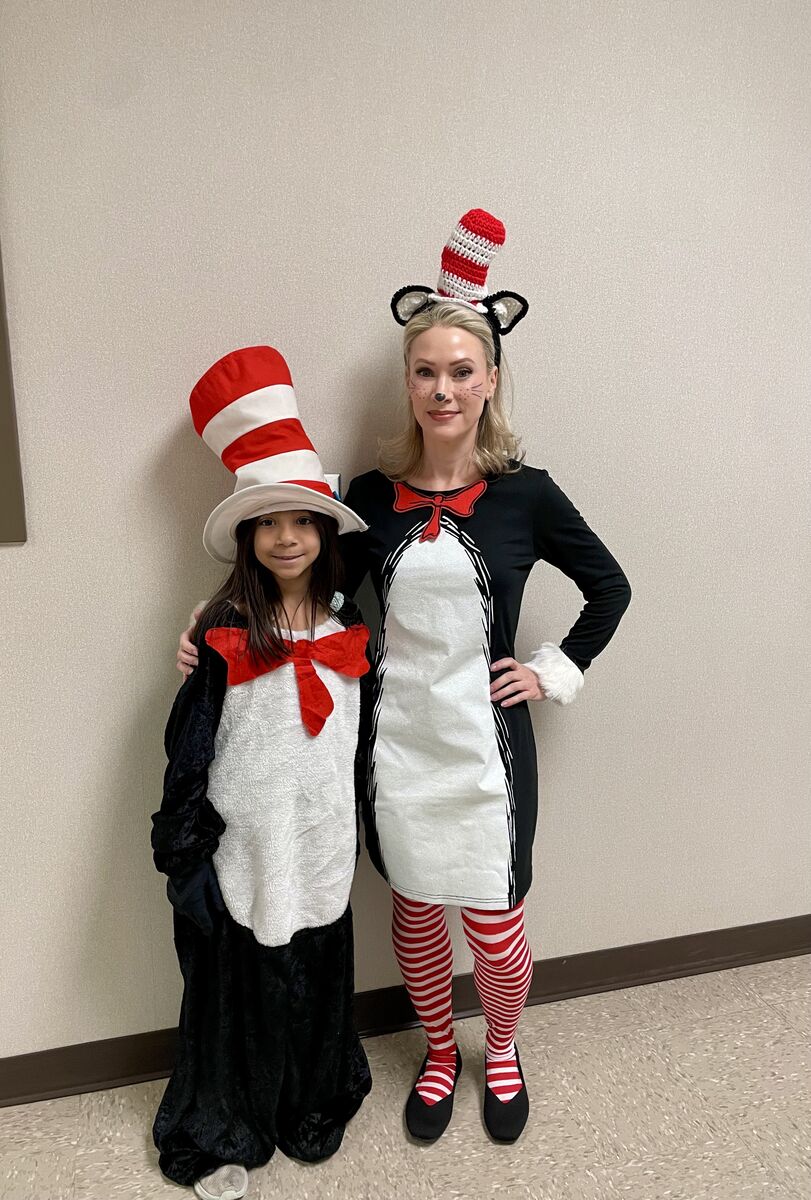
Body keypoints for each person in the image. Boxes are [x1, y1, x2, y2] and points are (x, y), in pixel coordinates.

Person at [177, 210, 631, 1147]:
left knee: (495, 924)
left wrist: (551, 670)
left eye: (461, 370)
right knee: (417, 919)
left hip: (486, 752)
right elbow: (301, 578)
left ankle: (497, 1050)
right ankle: (435, 1053)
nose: (442, 389)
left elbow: (609, 588)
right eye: (426, 371)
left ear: (490, 378)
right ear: (408, 381)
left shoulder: (527, 494)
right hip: (395, 746)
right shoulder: (369, 497)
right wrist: (212, 624)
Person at [152, 345, 372, 1200]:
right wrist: (186, 855)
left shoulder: (348, 630)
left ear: (324, 532)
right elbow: (188, 752)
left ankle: (306, 1097)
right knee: (243, 980)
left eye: (302, 521)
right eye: (268, 523)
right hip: (245, 847)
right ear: (246, 536)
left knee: (312, 966)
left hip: (319, 839)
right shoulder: (223, 634)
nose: (286, 537)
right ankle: (232, 1117)